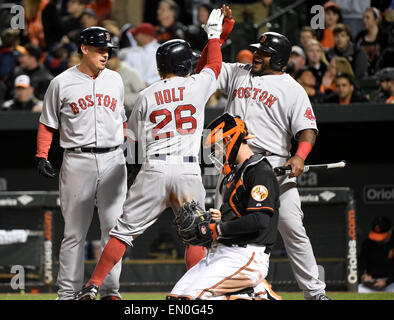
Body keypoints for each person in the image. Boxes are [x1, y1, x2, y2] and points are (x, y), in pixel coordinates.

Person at [75, 8, 225, 300]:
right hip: (188, 170)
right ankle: (193, 294)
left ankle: (93, 285)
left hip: (153, 168)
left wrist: (132, 174)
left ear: (160, 68)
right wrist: (215, 35)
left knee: (122, 233)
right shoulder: (196, 85)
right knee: (198, 232)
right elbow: (215, 64)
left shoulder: (146, 95)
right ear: (185, 65)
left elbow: (131, 142)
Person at [197, 6, 331, 300]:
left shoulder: (292, 89)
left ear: (280, 58)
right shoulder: (237, 72)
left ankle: (315, 292)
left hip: (273, 167)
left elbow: (307, 129)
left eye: (265, 52)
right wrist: (219, 36)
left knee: (293, 229)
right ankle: (223, 288)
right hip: (236, 168)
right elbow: (206, 69)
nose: (257, 55)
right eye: (257, 50)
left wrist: (300, 156)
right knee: (230, 231)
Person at [36, 26, 127, 300]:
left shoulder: (116, 80)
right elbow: (47, 124)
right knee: (74, 233)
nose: (105, 55)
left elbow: (121, 123)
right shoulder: (61, 82)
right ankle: (67, 294)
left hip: (113, 158)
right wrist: (42, 154)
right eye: (100, 49)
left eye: (108, 51)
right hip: (77, 159)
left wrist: (129, 155)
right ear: (84, 49)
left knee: (113, 229)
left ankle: (111, 291)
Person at [168, 113, 281, 300]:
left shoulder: (260, 172)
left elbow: (259, 220)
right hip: (224, 251)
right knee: (175, 299)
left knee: (191, 299)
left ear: (230, 139)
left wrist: (217, 228)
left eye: (217, 146)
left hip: (248, 255)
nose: (216, 153)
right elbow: (239, 217)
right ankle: (253, 293)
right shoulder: (236, 174)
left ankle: (257, 294)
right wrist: (218, 220)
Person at [358, 216, 394, 293]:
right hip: (372, 281)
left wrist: (387, 282)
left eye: (382, 236)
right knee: (358, 290)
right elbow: (361, 264)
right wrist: (363, 275)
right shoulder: (368, 244)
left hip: (391, 282)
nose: (378, 240)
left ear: (390, 231)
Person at [355, 7, 390, 77]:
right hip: (361, 73)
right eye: (364, 17)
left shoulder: (384, 37)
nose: (364, 20)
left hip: (380, 74)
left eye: (368, 18)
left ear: (376, 20)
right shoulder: (360, 37)